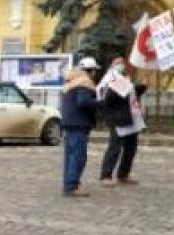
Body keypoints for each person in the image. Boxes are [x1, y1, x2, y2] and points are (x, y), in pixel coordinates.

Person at [98, 58, 145, 187]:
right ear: (112, 66)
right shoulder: (110, 79)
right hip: (117, 119)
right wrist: (121, 89)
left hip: (130, 118)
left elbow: (132, 95)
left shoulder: (125, 79)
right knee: (115, 148)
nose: (121, 66)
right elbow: (108, 100)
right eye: (118, 64)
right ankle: (106, 175)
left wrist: (140, 87)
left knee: (131, 148)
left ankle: (123, 174)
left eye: (122, 64)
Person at [60, 57, 100, 197]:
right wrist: (100, 102)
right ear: (91, 71)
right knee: (78, 156)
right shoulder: (85, 82)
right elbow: (83, 102)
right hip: (79, 123)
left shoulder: (71, 81)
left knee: (70, 156)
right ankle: (72, 185)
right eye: (95, 71)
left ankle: (69, 183)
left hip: (69, 122)